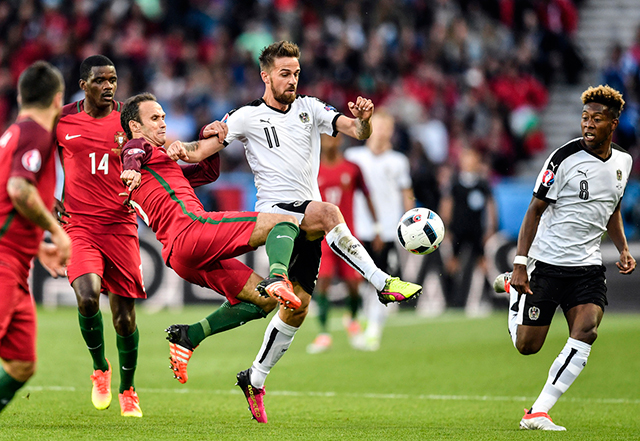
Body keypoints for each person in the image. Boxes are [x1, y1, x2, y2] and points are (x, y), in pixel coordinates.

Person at [184, 40, 422, 422]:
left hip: (305, 216)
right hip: (276, 215)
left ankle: (255, 378)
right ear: (266, 76)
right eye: (284, 73)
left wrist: (364, 118)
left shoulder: (311, 108)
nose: (292, 79)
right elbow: (200, 152)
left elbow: (356, 131)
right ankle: (382, 282)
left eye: (296, 73)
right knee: (330, 212)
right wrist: (175, 148)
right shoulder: (245, 116)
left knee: (297, 307)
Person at [118, 92, 303, 395]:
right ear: (136, 127)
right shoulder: (139, 151)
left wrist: (209, 136)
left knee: (264, 302)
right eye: (155, 119)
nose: (163, 123)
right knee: (283, 221)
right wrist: (131, 168)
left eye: (163, 116)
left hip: (180, 256)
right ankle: (278, 276)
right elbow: (133, 151)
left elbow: (208, 171)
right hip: (192, 231)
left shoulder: (162, 164)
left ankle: (189, 336)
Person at [493, 85, 636, 431]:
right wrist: (520, 264)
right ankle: (514, 293)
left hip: (587, 267)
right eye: (584, 117)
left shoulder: (624, 162)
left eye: (596, 119)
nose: (587, 125)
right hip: (547, 264)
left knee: (587, 330)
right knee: (528, 346)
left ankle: (538, 412)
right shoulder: (562, 159)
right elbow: (534, 211)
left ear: (613, 124)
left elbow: (612, 208)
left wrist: (623, 248)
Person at [55, 55, 145, 417]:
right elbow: (38, 160)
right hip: (78, 225)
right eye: (100, 81)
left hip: (121, 226)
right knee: (88, 297)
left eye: (113, 80)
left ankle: (128, 389)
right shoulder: (61, 119)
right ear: (84, 85)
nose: (109, 86)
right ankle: (100, 369)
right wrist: (48, 197)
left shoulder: (130, 118)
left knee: (124, 317)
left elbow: (154, 155)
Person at [0, 61, 70, 414]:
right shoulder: (36, 134)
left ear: (20, 94)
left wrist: (35, 245)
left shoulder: (15, 131)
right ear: (58, 100)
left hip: (16, 258)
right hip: (3, 259)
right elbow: (17, 189)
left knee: (21, 363)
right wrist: (57, 231)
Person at [345, 110, 415, 351]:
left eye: (387, 126)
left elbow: (406, 194)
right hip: (355, 230)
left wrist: (410, 227)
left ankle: (374, 330)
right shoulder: (353, 157)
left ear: (392, 131)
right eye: (379, 125)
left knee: (381, 282)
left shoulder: (398, 161)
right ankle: (358, 321)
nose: (383, 130)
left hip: (386, 231)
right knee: (357, 282)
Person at [306, 133, 374, 354]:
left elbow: (366, 194)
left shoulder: (352, 168)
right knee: (322, 281)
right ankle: (324, 333)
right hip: (321, 236)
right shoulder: (311, 169)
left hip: (348, 235)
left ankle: (352, 320)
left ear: (338, 141)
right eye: (324, 139)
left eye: (332, 139)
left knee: (354, 285)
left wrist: (377, 226)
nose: (328, 143)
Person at [440, 147, 497, 312]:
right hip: (458, 229)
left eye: (472, 158)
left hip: (477, 230)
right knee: (452, 263)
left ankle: (491, 299)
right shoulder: (455, 183)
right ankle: (451, 299)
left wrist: (491, 227)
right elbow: (447, 204)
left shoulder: (482, 183)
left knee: (483, 263)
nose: (468, 162)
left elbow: (491, 206)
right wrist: (446, 227)